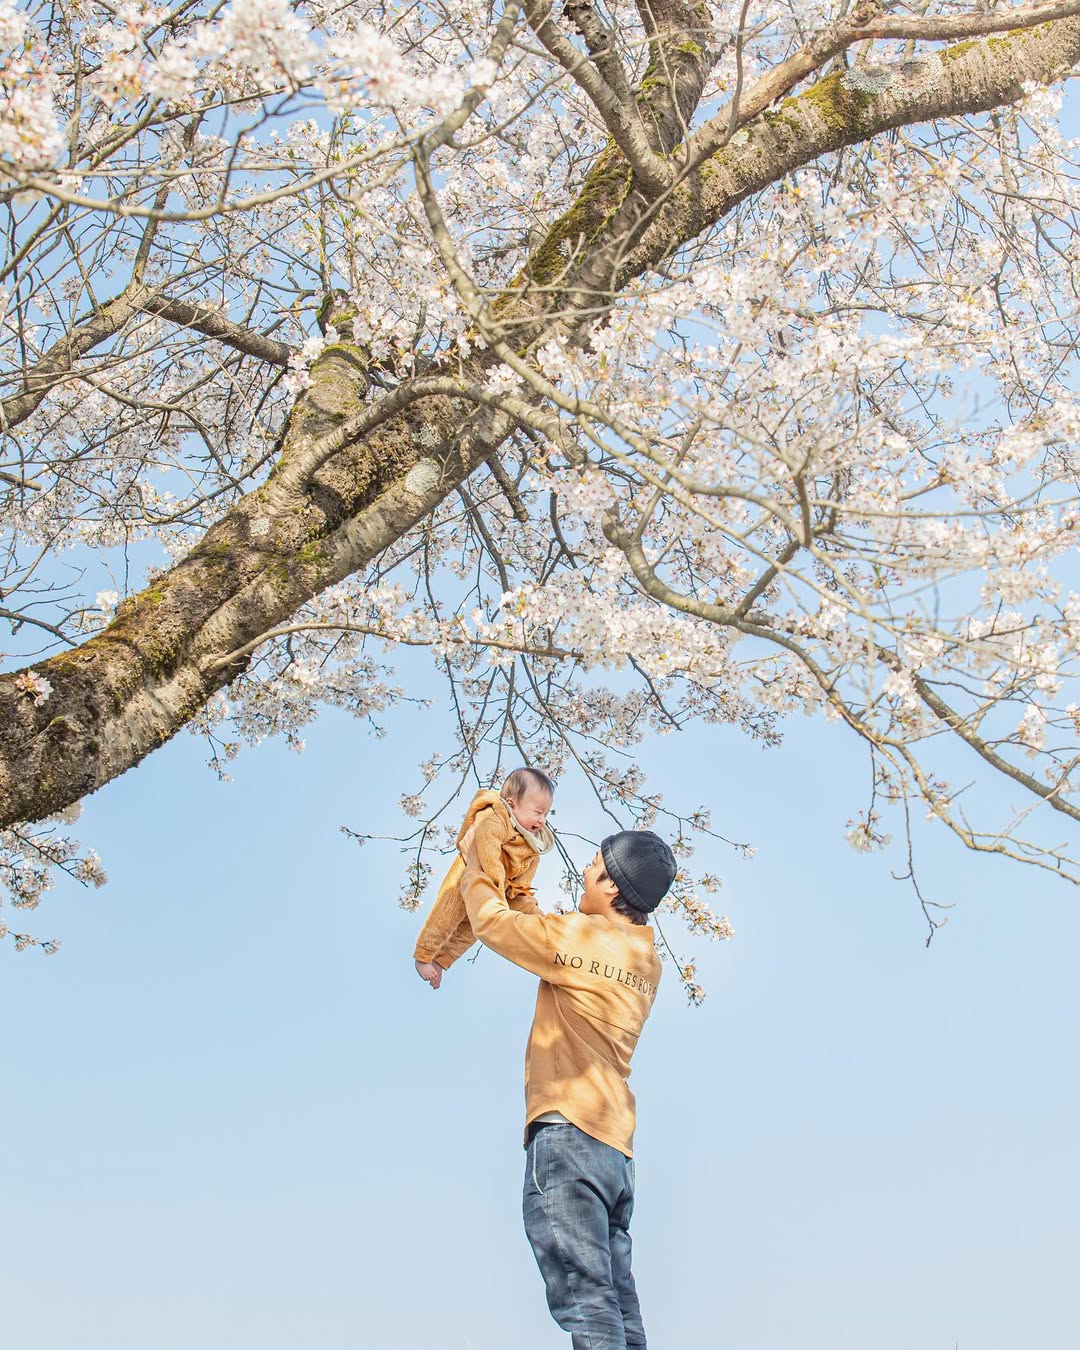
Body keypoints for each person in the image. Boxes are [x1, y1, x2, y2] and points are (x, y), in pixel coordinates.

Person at [460, 824, 677, 1350]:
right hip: (614, 1150)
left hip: (568, 1139)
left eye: (593, 866)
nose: (583, 870)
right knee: (618, 1306)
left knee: (586, 1303)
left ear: (609, 890)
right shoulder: (645, 959)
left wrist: (476, 859)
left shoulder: (578, 938)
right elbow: (546, 937)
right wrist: (524, 893)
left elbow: (491, 922)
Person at [412, 767, 555, 989]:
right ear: (512, 804)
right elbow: (487, 846)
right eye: (538, 812)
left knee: (472, 930)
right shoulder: (496, 817)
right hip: (469, 876)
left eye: (546, 814)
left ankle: (442, 960)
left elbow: (526, 875)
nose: (542, 820)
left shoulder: (532, 844)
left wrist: (519, 892)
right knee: (446, 915)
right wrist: (496, 882)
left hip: (495, 890)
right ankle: (423, 954)